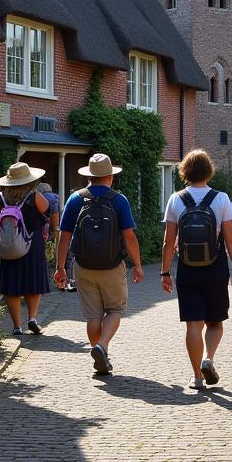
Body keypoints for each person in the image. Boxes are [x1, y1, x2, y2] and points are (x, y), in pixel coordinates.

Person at [53, 153, 144, 375]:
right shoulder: (119, 200)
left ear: (89, 177)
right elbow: (129, 236)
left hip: (83, 266)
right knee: (114, 309)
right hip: (112, 266)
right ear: (110, 176)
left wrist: (60, 267)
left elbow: (64, 236)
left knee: (93, 316)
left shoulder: (75, 199)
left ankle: (99, 354)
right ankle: (102, 347)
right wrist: (138, 264)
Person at [160, 149, 232, 391]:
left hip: (187, 268)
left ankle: (196, 377)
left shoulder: (176, 199)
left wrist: (165, 272)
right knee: (215, 321)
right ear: (209, 171)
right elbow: (231, 239)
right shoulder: (221, 198)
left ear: (184, 171)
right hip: (215, 267)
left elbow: (168, 241)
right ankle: (209, 358)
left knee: (193, 324)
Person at [0, 162, 51, 336]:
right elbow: (46, 208)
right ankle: (32, 319)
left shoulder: (0, 197)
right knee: (34, 283)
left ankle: (17, 326)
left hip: (8, 247)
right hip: (32, 244)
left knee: (11, 286)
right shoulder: (34, 196)